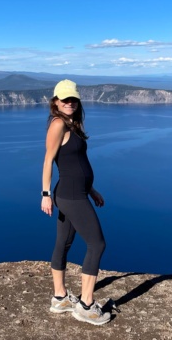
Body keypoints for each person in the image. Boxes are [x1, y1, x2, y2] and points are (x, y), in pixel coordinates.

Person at [41, 80, 110, 326]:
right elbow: (49, 160)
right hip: (70, 196)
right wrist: (45, 194)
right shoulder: (58, 124)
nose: (70, 103)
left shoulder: (73, 123)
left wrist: (91, 189)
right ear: (56, 102)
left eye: (73, 99)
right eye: (65, 100)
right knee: (97, 244)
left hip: (76, 192)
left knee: (64, 242)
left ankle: (60, 298)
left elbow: (76, 163)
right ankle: (86, 306)